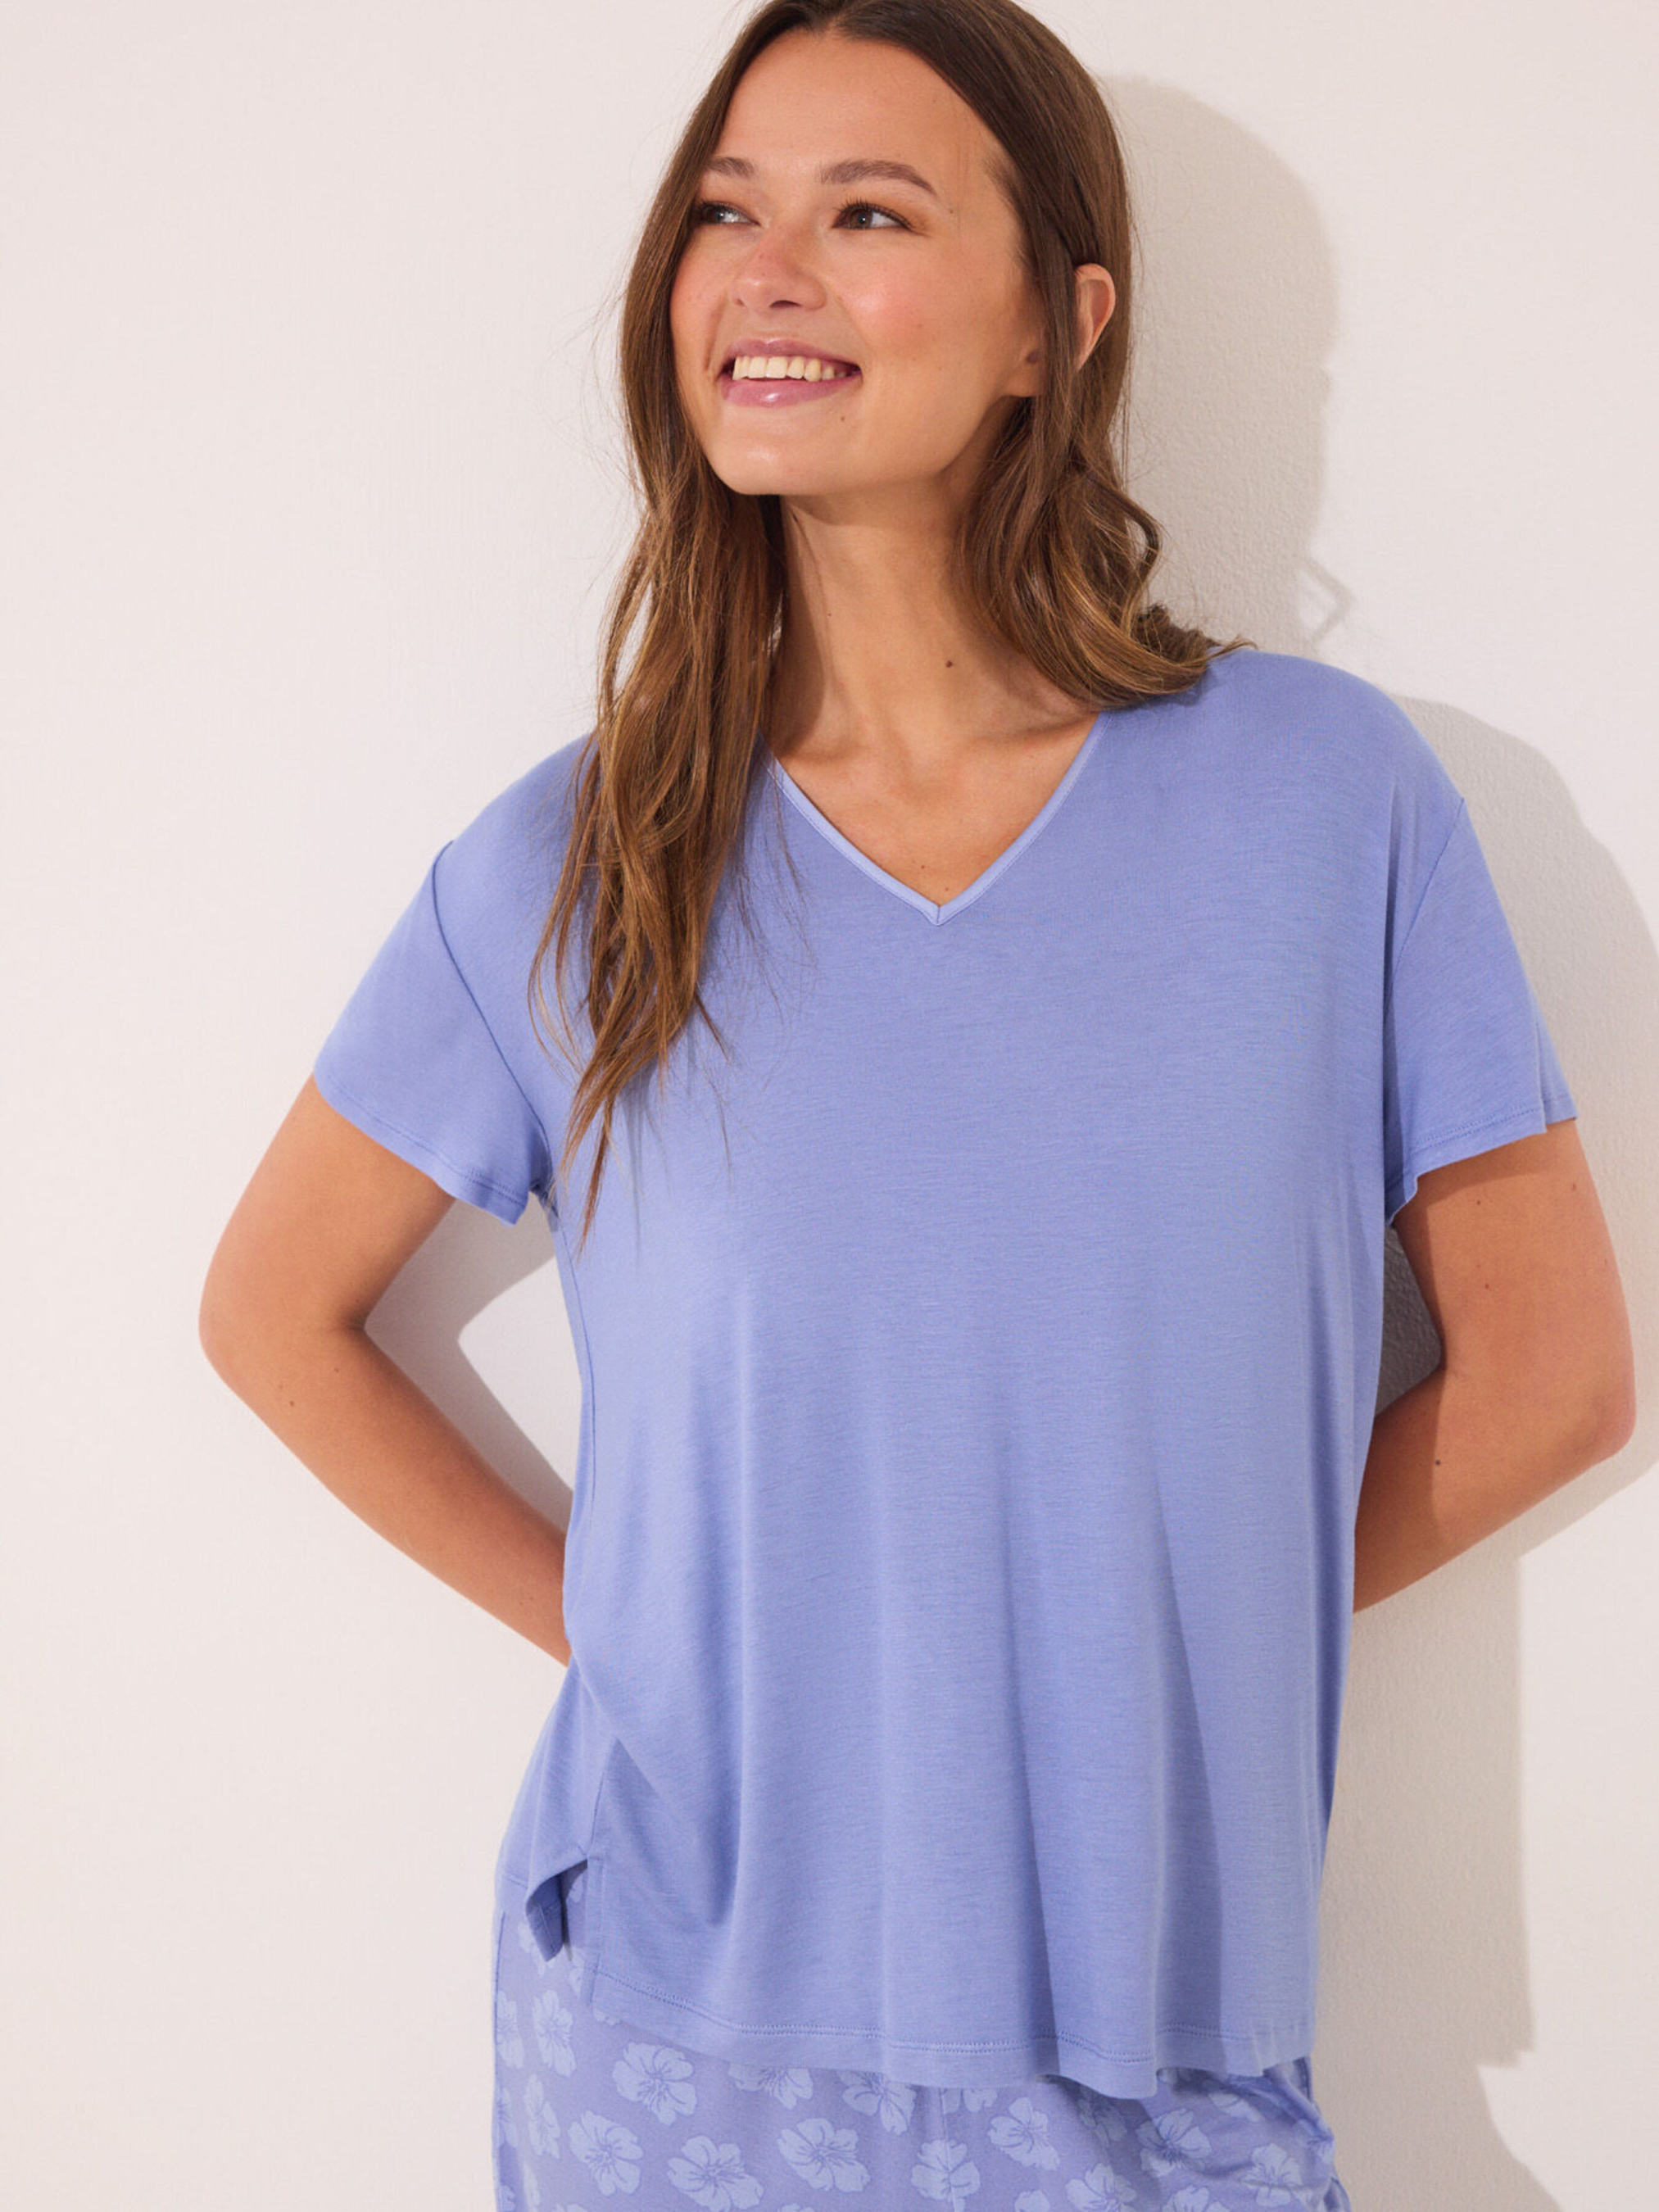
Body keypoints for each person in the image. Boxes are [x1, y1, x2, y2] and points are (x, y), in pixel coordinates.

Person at [199, 2, 1634, 2205]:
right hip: (675, 2032)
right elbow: (272, 1311)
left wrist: (1153, 1652)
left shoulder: (1322, 801)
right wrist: (654, 1645)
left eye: (866, 214)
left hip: (1151, 2031)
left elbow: (1551, 1376)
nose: (766, 273)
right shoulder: (576, 860)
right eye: (723, 214)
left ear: (1058, 325)